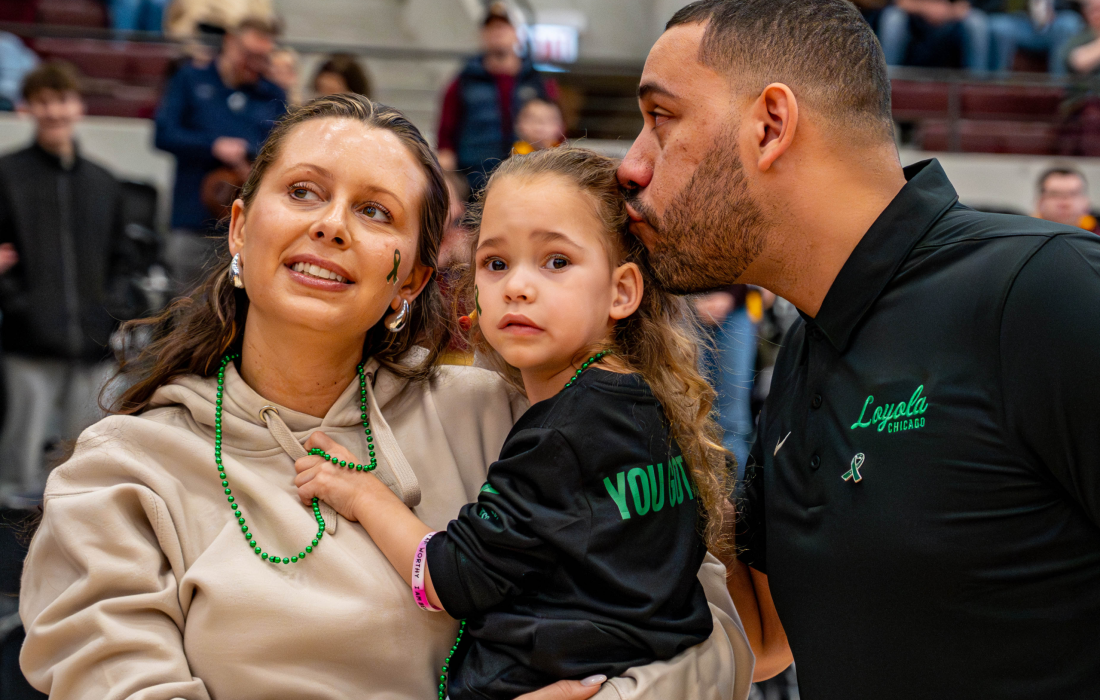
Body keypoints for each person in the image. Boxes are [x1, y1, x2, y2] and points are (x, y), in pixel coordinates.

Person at [19, 94, 749, 700]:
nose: (330, 224)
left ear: (414, 279)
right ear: (241, 229)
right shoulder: (122, 472)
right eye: (303, 191)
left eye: (375, 212)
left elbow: (710, 633)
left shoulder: (508, 414)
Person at [617, 1, 1100, 698]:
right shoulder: (808, 346)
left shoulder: (1043, 290)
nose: (631, 165)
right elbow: (766, 639)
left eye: (660, 118)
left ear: (771, 125)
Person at [295, 147, 748, 700]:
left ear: (621, 290)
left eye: (556, 261)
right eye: (496, 263)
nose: (517, 286)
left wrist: (364, 495)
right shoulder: (644, 404)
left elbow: (450, 579)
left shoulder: (559, 433)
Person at [0, 61, 145, 497]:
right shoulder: (6, 175)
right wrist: (18, 303)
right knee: (19, 460)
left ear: (77, 106)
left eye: (62, 100)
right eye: (44, 101)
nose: (55, 111)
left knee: (83, 453)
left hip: (92, 340)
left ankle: (73, 515)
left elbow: (123, 258)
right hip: (28, 339)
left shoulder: (103, 182)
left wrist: (111, 306)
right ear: (29, 108)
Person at [154, 16, 286, 292]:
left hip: (247, 229)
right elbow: (164, 134)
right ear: (229, 43)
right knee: (185, 311)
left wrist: (250, 155)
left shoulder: (272, 94)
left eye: (262, 57)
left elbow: (283, 151)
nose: (254, 65)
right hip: (193, 220)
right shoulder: (190, 79)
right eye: (248, 55)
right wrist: (212, 146)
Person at [437, 2, 556, 191]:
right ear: (482, 35)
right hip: (473, 180)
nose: (497, 32)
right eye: (491, 27)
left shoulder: (538, 82)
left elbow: (557, 127)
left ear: (518, 33)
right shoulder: (463, 81)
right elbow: (445, 131)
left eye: (504, 26)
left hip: (527, 177)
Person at [877, 0, 992, 71]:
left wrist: (947, 12)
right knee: (893, 18)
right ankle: (886, 82)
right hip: (913, 19)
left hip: (951, 20)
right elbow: (900, 2)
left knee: (976, 22)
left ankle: (976, 87)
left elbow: (965, 5)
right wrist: (926, 8)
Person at [986, 0, 1083, 75]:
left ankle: (1059, 87)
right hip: (1023, 22)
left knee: (1069, 22)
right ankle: (998, 82)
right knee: (998, 26)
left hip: (1057, 23)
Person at [1034, 165, 1098, 231]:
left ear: (1086, 201)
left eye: (1073, 194)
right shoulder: (1025, 236)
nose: (1064, 204)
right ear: (1040, 201)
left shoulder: (1096, 236)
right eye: (1055, 195)